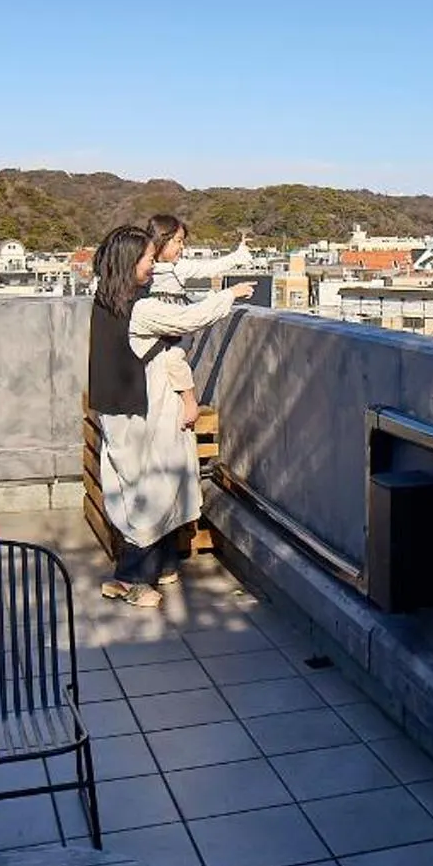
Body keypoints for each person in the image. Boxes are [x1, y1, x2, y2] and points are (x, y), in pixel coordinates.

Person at [88, 224, 252, 606]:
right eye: (147, 258)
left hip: (124, 408)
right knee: (148, 491)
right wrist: (229, 294)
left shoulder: (106, 298)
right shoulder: (140, 308)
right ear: (130, 262)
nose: (151, 265)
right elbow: (190, 319)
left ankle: (160, 567)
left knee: (150, 486)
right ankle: (131, 579)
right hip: (142, 411)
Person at [143, 215, 251, 430]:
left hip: (180, 328)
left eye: (182, 241)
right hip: (161, 327)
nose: (181, 247)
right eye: (178, 241)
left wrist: (237, 256)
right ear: (161, 239)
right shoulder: (147, 267)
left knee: (173, 360)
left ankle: (188, 404)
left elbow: (209, 268)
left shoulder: (178, 267)